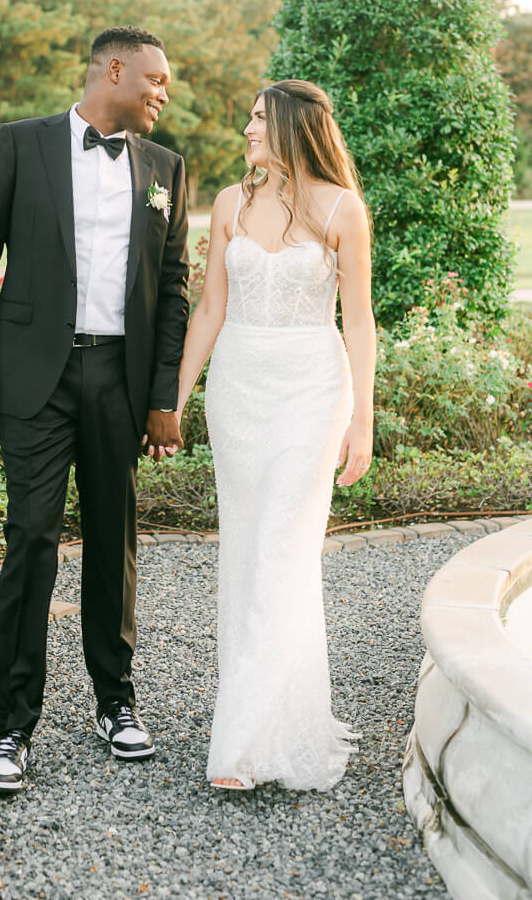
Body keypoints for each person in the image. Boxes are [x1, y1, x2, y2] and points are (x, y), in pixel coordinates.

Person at [0, 26, 190, 792]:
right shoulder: (21, 145)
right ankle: (9, 728)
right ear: (114, 70)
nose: (162, 95)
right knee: (31, 540)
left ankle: (117, 702)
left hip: (120, 380)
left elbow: (175, 289)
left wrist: (162, 397)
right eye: (155, 80)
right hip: (33, 382)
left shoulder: (166, 168)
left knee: (114, 541)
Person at [175, 80, 375, 791]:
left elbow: (359, 320)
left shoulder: (343, 210)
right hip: (238, 390)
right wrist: (173, 399)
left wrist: (363, 420)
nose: (248, 128)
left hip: (311, 393)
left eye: (259, 118)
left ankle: (245, 744)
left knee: (282, 551)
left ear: (292, 126)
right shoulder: (231, 203)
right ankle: (269, 713)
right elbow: (208, 311)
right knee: (246, 545)